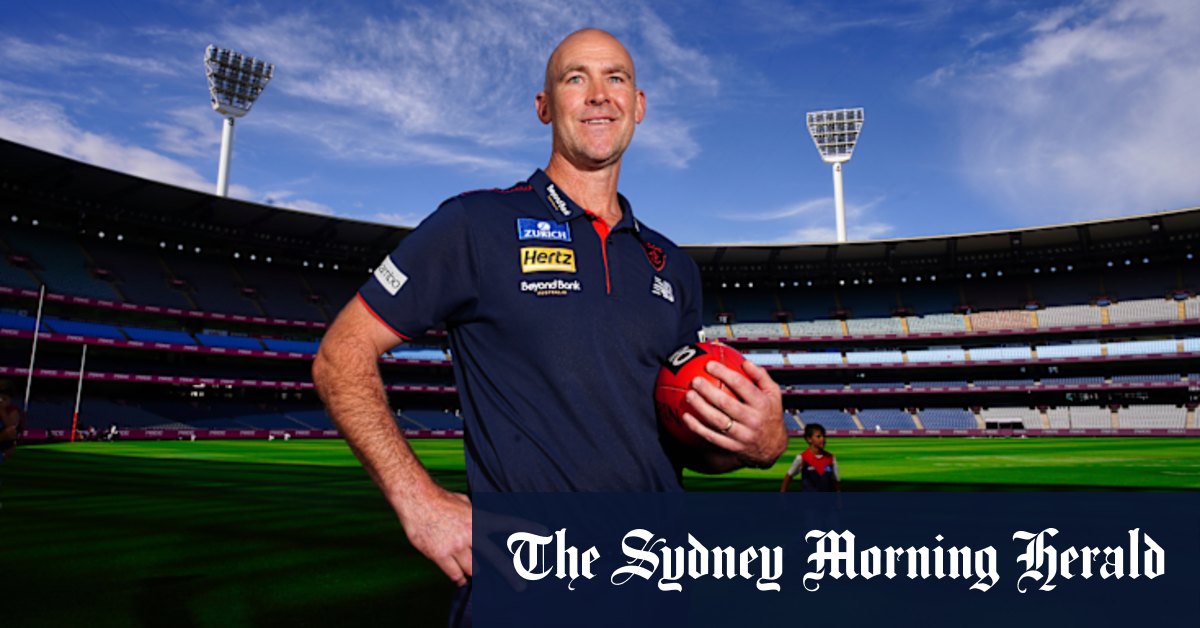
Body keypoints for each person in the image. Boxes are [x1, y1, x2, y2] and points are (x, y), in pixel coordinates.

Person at [312, 28, 786, 623]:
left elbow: (679, 439)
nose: (599, 94)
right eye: (575, 78)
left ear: (638, 105)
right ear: (544, 106)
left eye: (616, 78)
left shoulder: (673, 266)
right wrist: (419, 503)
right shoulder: (476, 224)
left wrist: (759, 444)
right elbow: (341, 354)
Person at [780, 423, 840, 492]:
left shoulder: (831, 458)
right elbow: (788, 476)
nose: (823, 439)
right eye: (818, 436)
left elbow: (836, 481)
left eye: (823, 436)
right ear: (809, 439)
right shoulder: (802, 458)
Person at [0, 380, 25, 462]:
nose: (0, 400)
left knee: (10, 431)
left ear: (10, 399)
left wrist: (2, 411)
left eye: (4, 398)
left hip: (5, 442)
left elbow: (11, 426)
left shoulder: (13, 411)